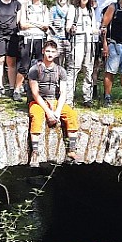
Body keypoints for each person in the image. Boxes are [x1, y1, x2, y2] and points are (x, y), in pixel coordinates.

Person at [27, 39, 80, 168]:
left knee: (71, 115)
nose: (50, 54)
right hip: (38, 102)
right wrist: (48, 112)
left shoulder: (60, 70)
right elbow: (35, 93)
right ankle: (35, 152)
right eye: (48, 51)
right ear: (43, 52)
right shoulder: (35, 69)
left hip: (54, 101)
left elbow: (63, 93)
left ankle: (71, 150)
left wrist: (56, 112)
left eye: (53, 52)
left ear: (57, 54)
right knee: (37, 117)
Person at [66, 0, 100, 107]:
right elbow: (68, 27)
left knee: (89, 70)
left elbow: (94, 28)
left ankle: (88, 98)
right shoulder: (73, 9)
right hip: (77, 42)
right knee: (73, 70)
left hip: (90, 42)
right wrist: (72, 29)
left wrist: (99, 30)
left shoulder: (91, 10)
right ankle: (69, 100)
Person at [15, 0, 50, 101]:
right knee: (24, 65)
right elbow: (22, 24)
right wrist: (38, 24)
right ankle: (17, 90)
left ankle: (39, 90)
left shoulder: (44, 8)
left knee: (40, 64)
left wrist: (33, 23)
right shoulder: (24, 6)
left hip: (40, 39)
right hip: (27, 38)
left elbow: (46, 25)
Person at [0, 0, 24, 98]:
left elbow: (19, 21)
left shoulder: (16, 4)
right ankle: (0, 86)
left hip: (12, 34)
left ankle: (11, 87)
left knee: (11, 61)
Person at [92, 0, 117, 99]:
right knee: (94, 64)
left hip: (107, 36)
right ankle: (94, 89)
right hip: (92, 36)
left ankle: (107, 92)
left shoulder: (113, 1)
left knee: (107, 65)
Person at [48, 0, 72, 70]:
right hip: (56, 39)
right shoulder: (53, 10)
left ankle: (66, 81)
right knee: (57, 62)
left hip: (68, 40)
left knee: (69, 62)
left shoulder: (71, 9)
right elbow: (49, 24)